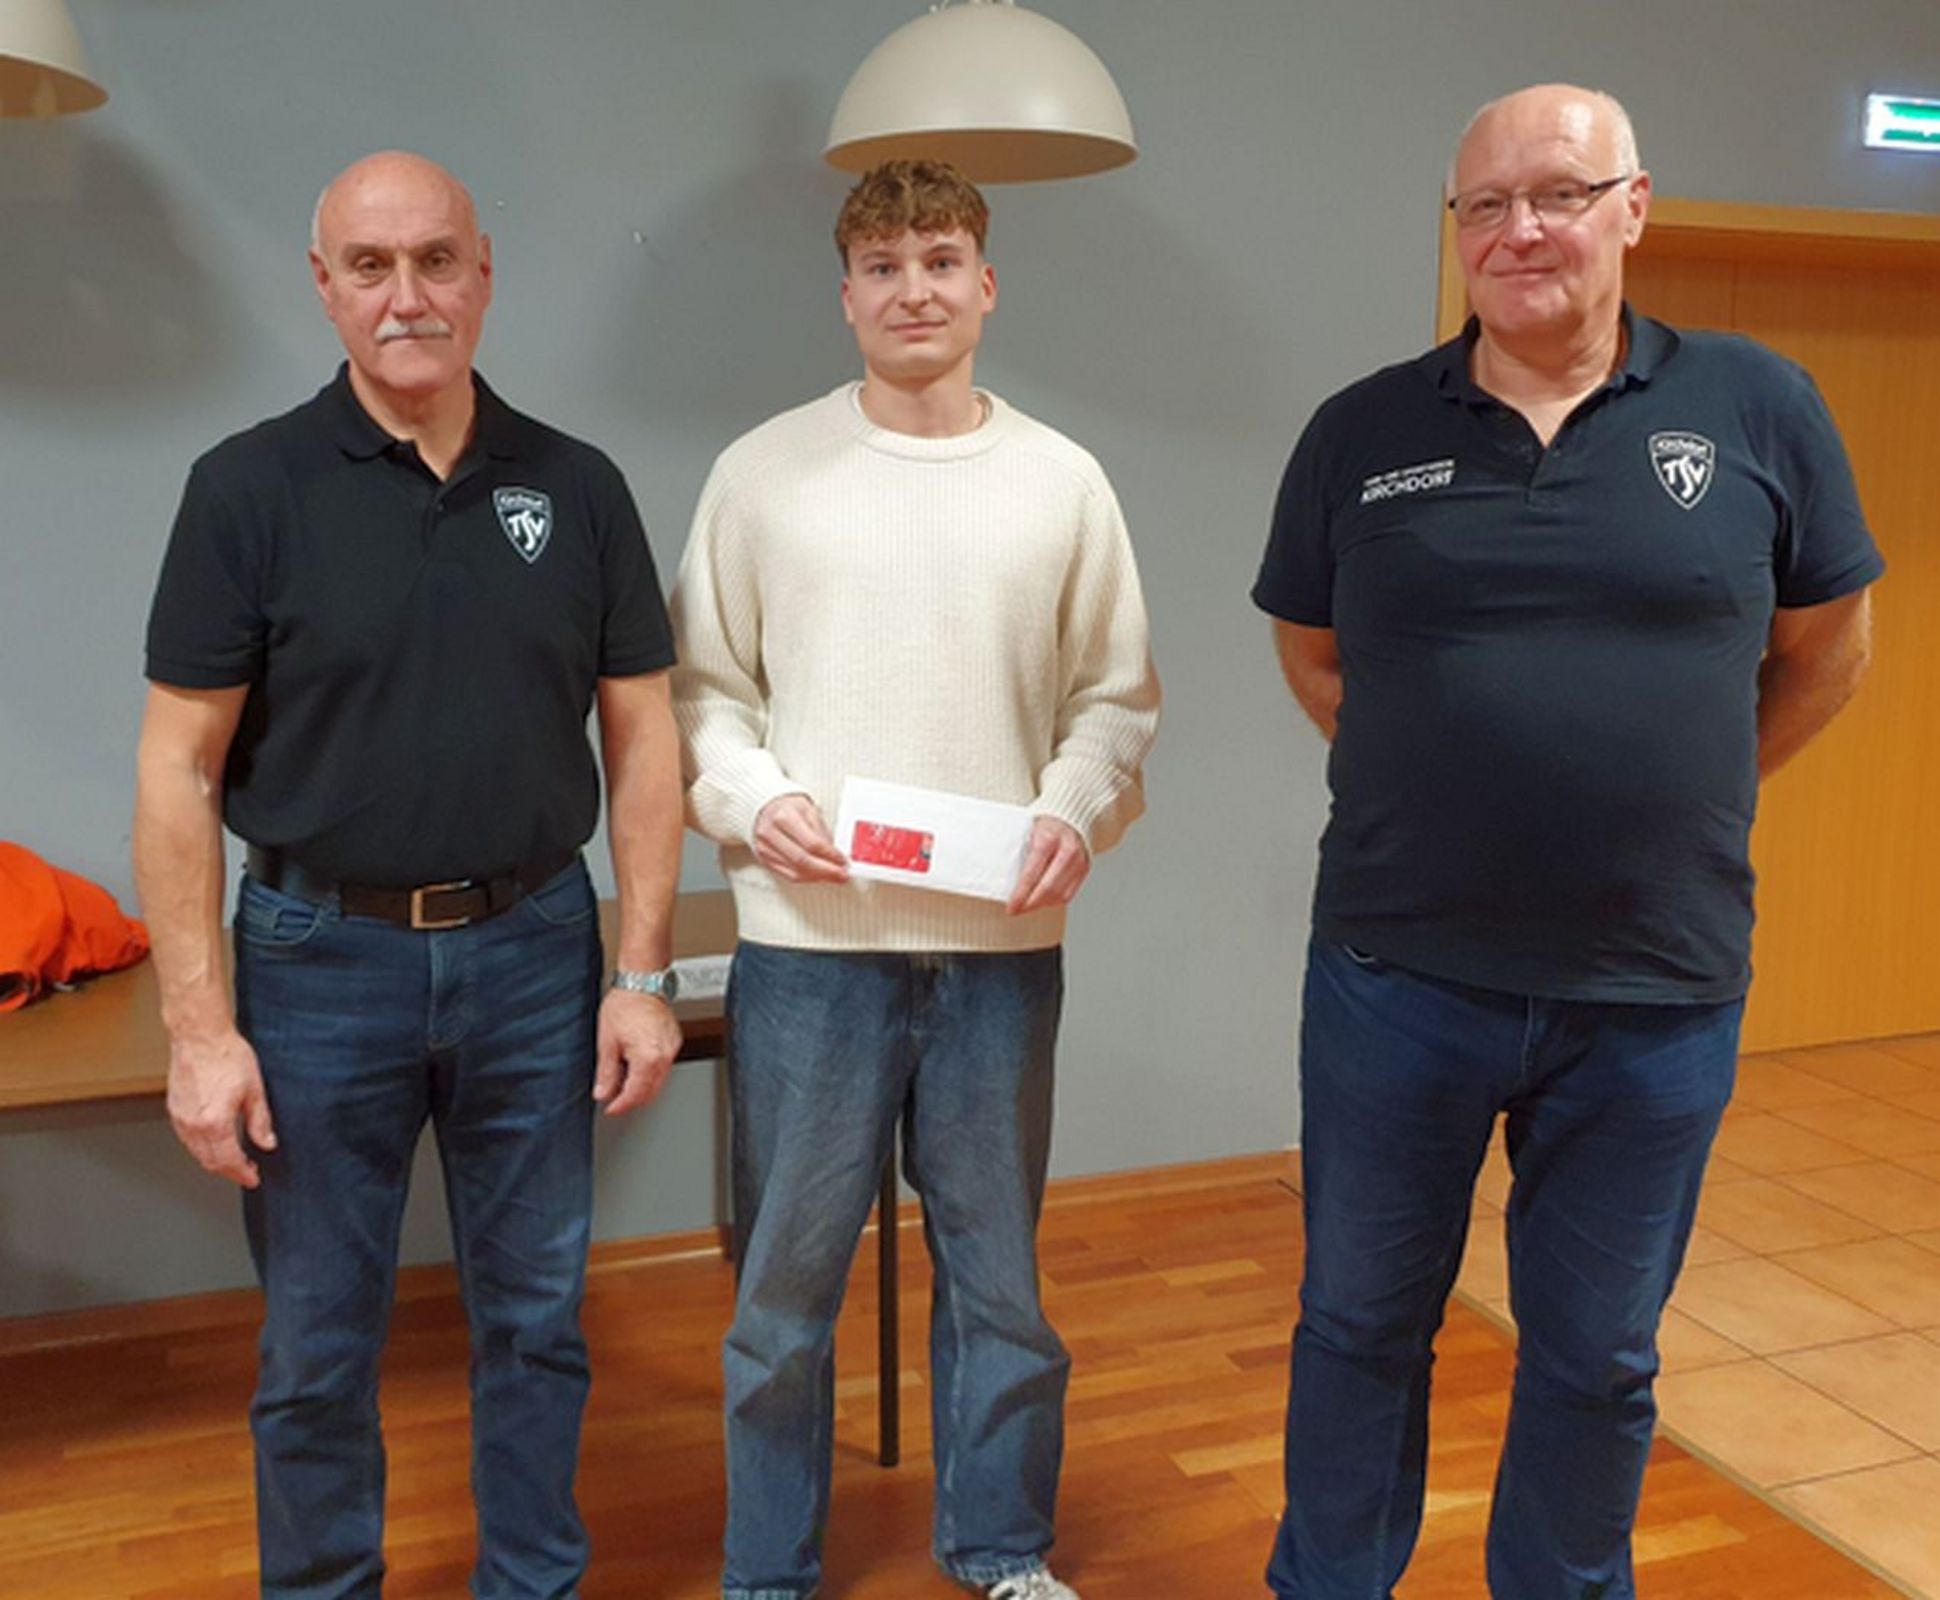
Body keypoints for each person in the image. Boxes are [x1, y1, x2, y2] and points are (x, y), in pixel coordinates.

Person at [1253, 84, 1881, 1600]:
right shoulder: (1362, 429)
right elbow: (1317, 655)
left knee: (1598, 1355)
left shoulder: (1757, 405)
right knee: (1357, 1326)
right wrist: (1441, 780)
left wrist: (1683, 792)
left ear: (1633, 207)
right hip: (1398, 977)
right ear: (1457, 231)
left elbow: (1830, 650)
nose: (1519, 230)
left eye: (1558, 194)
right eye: (1485, 205)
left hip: (1653, 990)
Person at [133, 149, 684, 1599]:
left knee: (538, 1325)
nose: (407, 296)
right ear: (324, 287)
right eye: (370, 267)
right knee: (319, 1346)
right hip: (318, 964)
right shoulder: (245, 489)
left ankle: (532, 1583)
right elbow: (178, 772)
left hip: (536, 954)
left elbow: (644, 740)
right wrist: (199, 1032)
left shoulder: (578, 486)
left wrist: (641, 972)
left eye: (436, 260)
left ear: (483, 274)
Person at [670, 159, 1159, 1600]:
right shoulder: (761, 475)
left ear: (987, 285)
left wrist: (1074, 808)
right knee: (782, 1292)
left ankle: (1001, 1549)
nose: (914, 292)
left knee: (1000, 1284)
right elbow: (703, 694)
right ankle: (768, 1570)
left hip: (999, 956)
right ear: (846, 297)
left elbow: (1115, 699)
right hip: (810, 951)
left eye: (941, 262)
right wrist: (756, 801)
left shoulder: (1064, 483)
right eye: (883, 268)